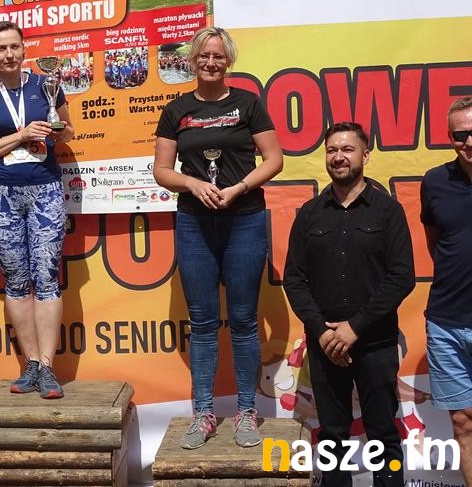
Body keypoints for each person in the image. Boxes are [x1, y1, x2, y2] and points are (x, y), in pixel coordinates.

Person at [153, 26, 283, 448]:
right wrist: (193, 184)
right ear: (193, 60)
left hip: (244, 219)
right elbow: (162, 170)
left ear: (228, 61)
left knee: (244, 321)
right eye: (204, 56)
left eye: (218, 56)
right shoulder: (176, 110)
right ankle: (204, 413)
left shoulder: (248, 104)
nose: (211, 62)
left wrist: (239, 187)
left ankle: (246, 411)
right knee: (203, 322)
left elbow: (274, 159)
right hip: (195, 222)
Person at [283, 122, 415, 487]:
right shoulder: (309, 214)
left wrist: (355, 328)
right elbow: (294, 279)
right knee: (333, 435)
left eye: (347, 149)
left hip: (376, 343)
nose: (338, 157)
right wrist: (322, 333)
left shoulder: (388, 212)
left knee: (383, 433)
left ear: (365, 156)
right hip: (325, 345)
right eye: (332, 150)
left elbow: (402, 276)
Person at [0, 21, 74, 398]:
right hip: (2, 194)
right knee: (15, 279)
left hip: (45, 190)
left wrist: (58, 131)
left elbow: (68, 130)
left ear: (24, 49)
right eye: (1, 49)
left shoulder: (46, 85)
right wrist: (21, 135)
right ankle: (30, 365)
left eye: (14, 47)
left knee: (46, 277)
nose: (9, 54)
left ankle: (47, 366)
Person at [420, 95, 472, 484]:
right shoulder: (435, 181)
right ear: (450, 137)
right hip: (446, 322)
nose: (469, 141)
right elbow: (435, 244)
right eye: (460, 134)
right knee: (463, 423)